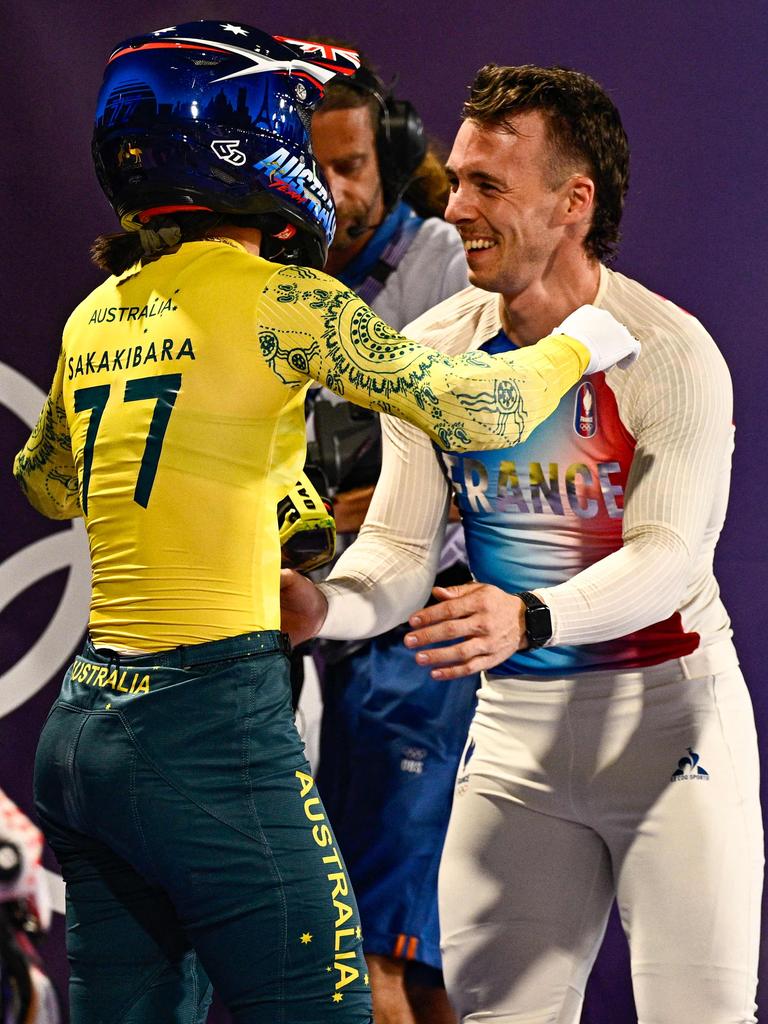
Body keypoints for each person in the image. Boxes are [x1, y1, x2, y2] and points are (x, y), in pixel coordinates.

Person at [12, 25, 638, 1024]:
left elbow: (48, 483)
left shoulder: (97, 313)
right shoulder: (284, 299)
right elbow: (476, 410)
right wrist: (583, 340)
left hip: (85, 732)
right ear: (249, 139)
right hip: (207, 722)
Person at [280, 63, 763, 1024]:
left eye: (487, 185)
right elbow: (399, 557)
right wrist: (324, 603)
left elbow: (671, 559)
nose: (454, 206)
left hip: (670, 733)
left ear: (573, 203)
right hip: (515, 743)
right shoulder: (437, 345)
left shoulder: (667, 350)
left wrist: (531, 612)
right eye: (456, 178)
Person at [306, 45, 473, 1024]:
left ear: (393, 157)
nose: (332, 190)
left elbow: (492, 445)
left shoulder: (446, 261)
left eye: (352, 166)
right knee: (419, 962)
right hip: (347, 642)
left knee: (371, 958)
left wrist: (387, 502)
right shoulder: (287, 284)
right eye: (316, 168)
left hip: (430, 643)